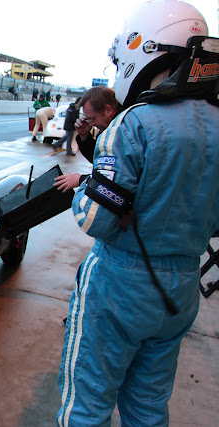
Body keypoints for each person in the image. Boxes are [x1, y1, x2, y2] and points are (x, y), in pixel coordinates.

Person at [57, 1, 219, 426]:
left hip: (119, 284)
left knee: (86, 404)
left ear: (141, 51)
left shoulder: (133, 123)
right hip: (181, 289)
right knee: (148, 407)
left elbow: (96, 220)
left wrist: (85, 189)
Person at [53, 87, 122, 191]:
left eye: (92, 118)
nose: (91, 124)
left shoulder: (123, 132)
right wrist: (85, 136)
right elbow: (98, 160)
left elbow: (115, 180)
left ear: (108, 110)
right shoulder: (107, 128)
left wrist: (81, 179)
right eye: (88, 119)